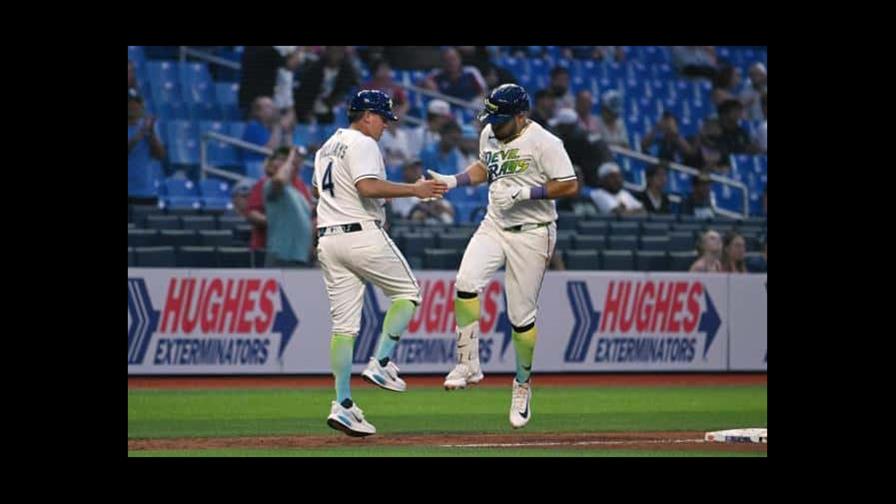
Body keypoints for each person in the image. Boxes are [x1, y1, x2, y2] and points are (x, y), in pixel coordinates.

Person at [427, 84, 579, 429]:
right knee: (465, 282)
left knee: (520, 317)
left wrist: (528, 192)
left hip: (533, 230)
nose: (494, 125)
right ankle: (468, 363)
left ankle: (522, 384)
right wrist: (453, 181)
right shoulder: (490, 133)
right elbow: (485, 166)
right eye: (491, 118)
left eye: (501, 119)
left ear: (521, 116)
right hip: (495, 223)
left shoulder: (545, 142)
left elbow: (569, 184)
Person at [313, 90, 447, 437]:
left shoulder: (325, 147)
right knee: (408, 292)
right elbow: (368, 187)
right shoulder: (362, 142)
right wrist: (415, 191)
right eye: (383, 117)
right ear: (367, 115)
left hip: (328, 239)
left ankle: (342, 405)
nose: (386, 124)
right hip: (361, 234)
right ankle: (382, 362)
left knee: (344, 328)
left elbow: (323, 189)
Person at [245, 146, 314, 252]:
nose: (290, 162)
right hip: (268, 247)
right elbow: (252, 214)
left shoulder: (302, 186)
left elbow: (306, 215)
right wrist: (278, 223)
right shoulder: (266, 183)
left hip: (297, 249)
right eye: (282, 159)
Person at [263, 147, 314, 268]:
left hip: (301, 256)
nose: (289, 162)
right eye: (282, 159)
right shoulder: (270, 185)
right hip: (281, 255)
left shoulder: (298, 193)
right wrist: (290, 157)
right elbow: (279, 180)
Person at [293, 46, 359, 124]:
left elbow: (351, 89)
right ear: (327, 51)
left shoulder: (347, 70)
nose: (334, 55)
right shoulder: (314, 68)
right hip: (308, 112)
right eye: (332, 51)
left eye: (338, 52)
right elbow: (304, 93)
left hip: (331, 112)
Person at [128, 90, 166, 205]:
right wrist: (139, 135)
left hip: (147, 191)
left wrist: (152, 135)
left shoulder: (149, 127)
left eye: (137, 103)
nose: (134, 107)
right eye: (130, 103)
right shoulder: (142, 129)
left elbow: (160, 155)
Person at [241, 96, 294, 167]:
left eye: (272, 107)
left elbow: (287, 149)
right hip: (256, 166)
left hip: (268, 166)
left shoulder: (268, 128)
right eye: (268, 107)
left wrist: (287, 131)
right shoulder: (253, 126)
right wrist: (278, 126)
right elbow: (269, 150)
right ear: (258, 112)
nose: (273, 110)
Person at [421, 47, 487, 102]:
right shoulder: (436, 74)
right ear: (442, 62)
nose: (451, 63)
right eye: (447, 60)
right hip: (447, 110)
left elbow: (483, 91)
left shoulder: (471, 72)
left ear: (460, 59)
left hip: (469, 108)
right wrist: (426, 84)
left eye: (454, 59)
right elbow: (420, 85)